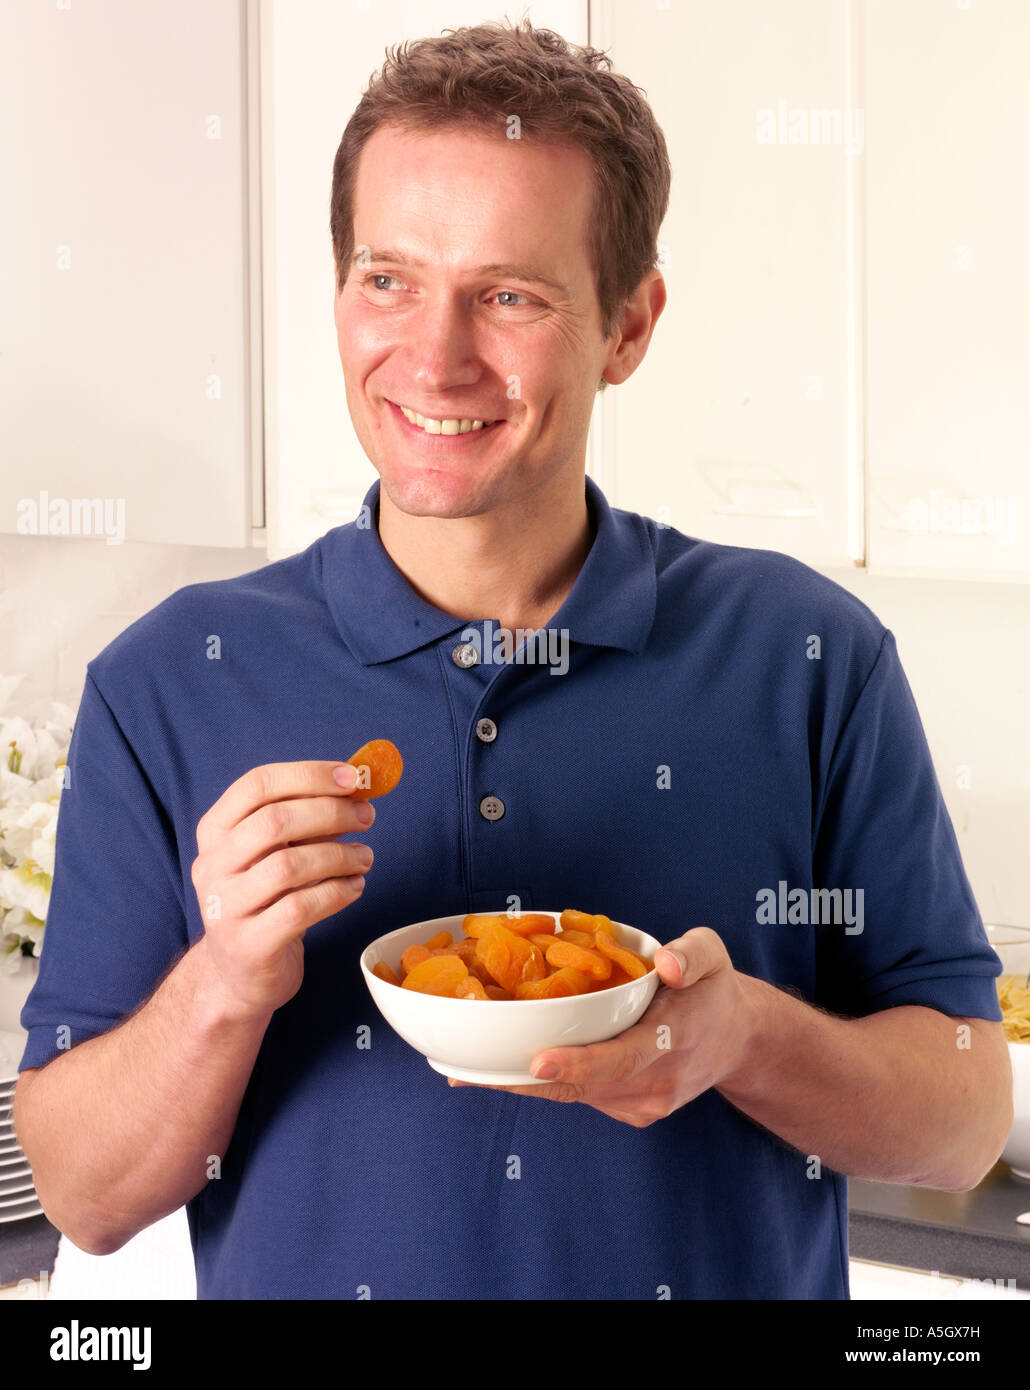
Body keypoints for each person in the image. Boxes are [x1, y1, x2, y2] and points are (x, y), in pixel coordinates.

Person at [13, 19, 1011, 1300]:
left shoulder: (807, 658)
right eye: (387, 279)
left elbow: (965, 1120)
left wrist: (742, 1035)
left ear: (628, 327)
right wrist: (224, 984)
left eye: (511, 295)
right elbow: (86, 1200)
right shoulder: (168, 678)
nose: (433, 358)